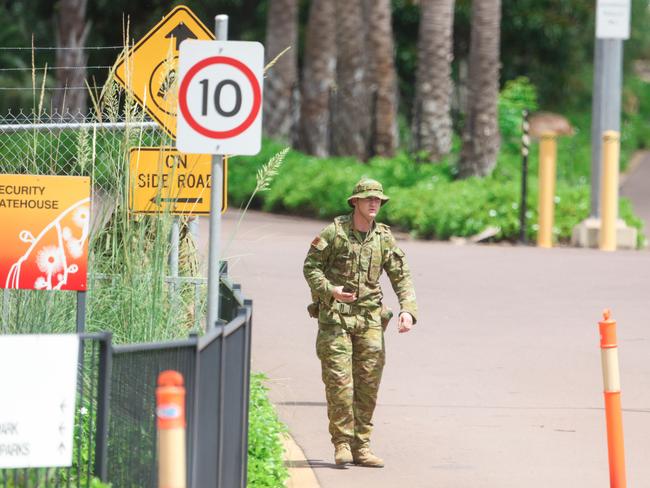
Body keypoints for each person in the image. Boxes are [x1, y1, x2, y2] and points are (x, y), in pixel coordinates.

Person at [303, 177, 418, 468]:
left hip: (370, 319)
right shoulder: (335, 232)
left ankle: (362, 445)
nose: (374, 203)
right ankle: (342, 443)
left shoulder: (383, 237)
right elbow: (311, 267)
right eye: (368, 198)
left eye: (378, 199)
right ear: (355, 202)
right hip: (336, 320)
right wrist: (331, 291)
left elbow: (400, 275)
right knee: (340, 383)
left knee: (368, 384)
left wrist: (408, 309)